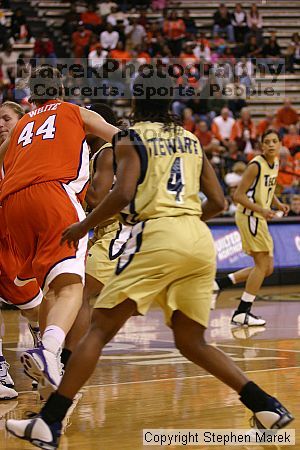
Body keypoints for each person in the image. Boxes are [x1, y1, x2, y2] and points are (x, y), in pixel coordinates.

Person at [6, 73, 293, 449]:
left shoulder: (130, 137)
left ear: (136, 104)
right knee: (192, 342)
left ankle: (50, 422)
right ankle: (265, 404)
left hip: (157, 238)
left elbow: (122, 192)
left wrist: (84, 226)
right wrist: (187, 221)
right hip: (198, 241)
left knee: (97, 328)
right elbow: (220, 202)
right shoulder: (191, 139)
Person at [0, 66, 119, 400]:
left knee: (51, 287)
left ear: (31, 96)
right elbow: (116, 136)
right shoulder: (73, 111)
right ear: (61, 89)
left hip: (12, 206)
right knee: (71, 286)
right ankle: (49, 350)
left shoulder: (22, 124)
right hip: (53, 196)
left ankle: (46, 365)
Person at [61, 103, 131, 366]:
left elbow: (96, 197)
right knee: (74, 290)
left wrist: (68, 183)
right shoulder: (96, 152)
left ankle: (67, 360)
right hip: (103, 231)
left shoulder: (107, 151)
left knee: (80, 292)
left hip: (118, 231)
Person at [213, 130, 290, 325]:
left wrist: (278, 204)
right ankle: (242, 312)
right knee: (262, 265)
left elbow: (267, 188)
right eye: (267, 142)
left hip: (258, 217)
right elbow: (238, 196)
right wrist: (262, 210)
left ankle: (218, 284)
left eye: (275, 141)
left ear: (280, 144)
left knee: (267, 268)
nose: (271, 145)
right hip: (250, 217)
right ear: (261, 146)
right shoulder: (255, 165)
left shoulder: (275, 163)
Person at [0, 102, 43, 400]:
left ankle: (45, 354)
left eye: (6, 118)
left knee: (34, 309)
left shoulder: (35, 155)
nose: (1, 123)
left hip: (19, 242)